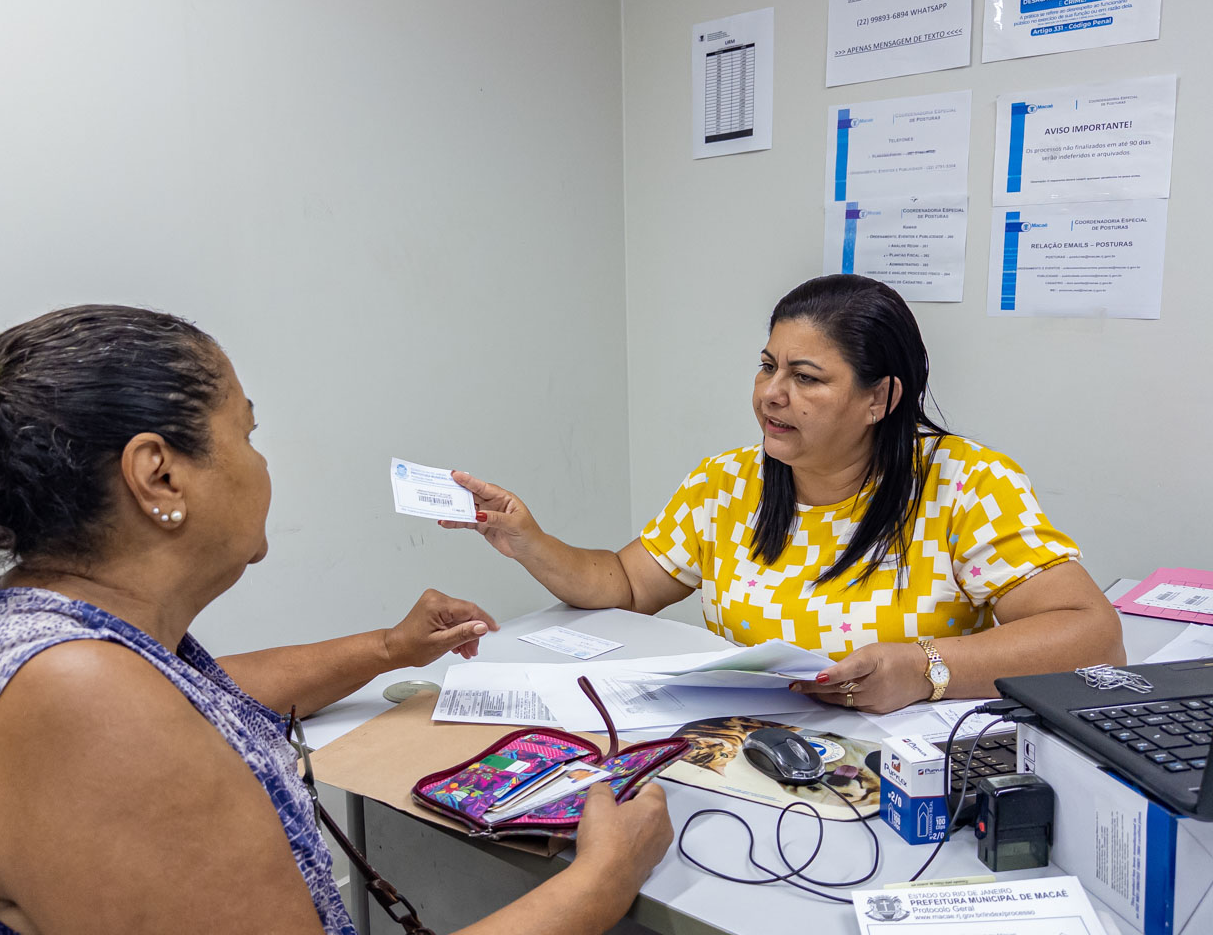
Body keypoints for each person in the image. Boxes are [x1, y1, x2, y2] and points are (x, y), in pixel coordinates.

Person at [0, 305, 672, 935]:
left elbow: (200, 703)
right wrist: (599, 885)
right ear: (159, 474)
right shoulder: (84, 700)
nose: (261, 461)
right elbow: (154, 733)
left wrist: (387, 649)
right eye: (245, 433)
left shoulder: (46, 638)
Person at [443, 274, 1125, 715]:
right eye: (768, 367)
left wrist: (924, 668)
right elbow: (624, 583)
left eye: (806, 377)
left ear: (880, 398)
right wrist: (530, 541)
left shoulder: (965, 484)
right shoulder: (728, 483)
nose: (772, 394)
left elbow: (1091, 635)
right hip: (746, 755)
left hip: (904, 769)